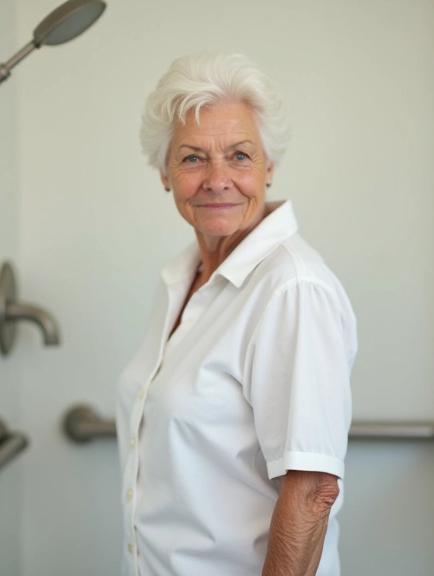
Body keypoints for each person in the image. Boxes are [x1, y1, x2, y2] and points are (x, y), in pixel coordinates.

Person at [116, 52, 357, 576]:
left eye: (241, 156)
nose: (218, 179)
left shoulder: (293, 288)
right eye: (193, 158)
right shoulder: (183, 278)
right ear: (165, 173)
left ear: (270, 166)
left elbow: (312, 488)